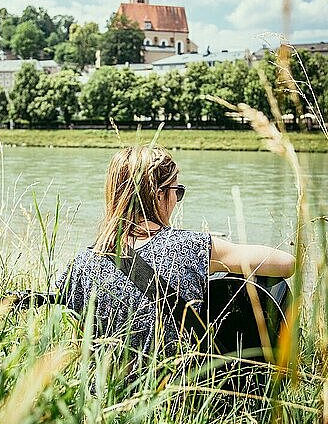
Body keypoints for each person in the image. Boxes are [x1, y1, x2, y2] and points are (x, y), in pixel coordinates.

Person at [56, 145, 294, 355]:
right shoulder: (191, 246)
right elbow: (286, 263)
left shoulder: (83, 263)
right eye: (176, 192)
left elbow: (81, 336)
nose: (176, 200)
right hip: (179, 398)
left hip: (109, 398)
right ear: (160, 195)